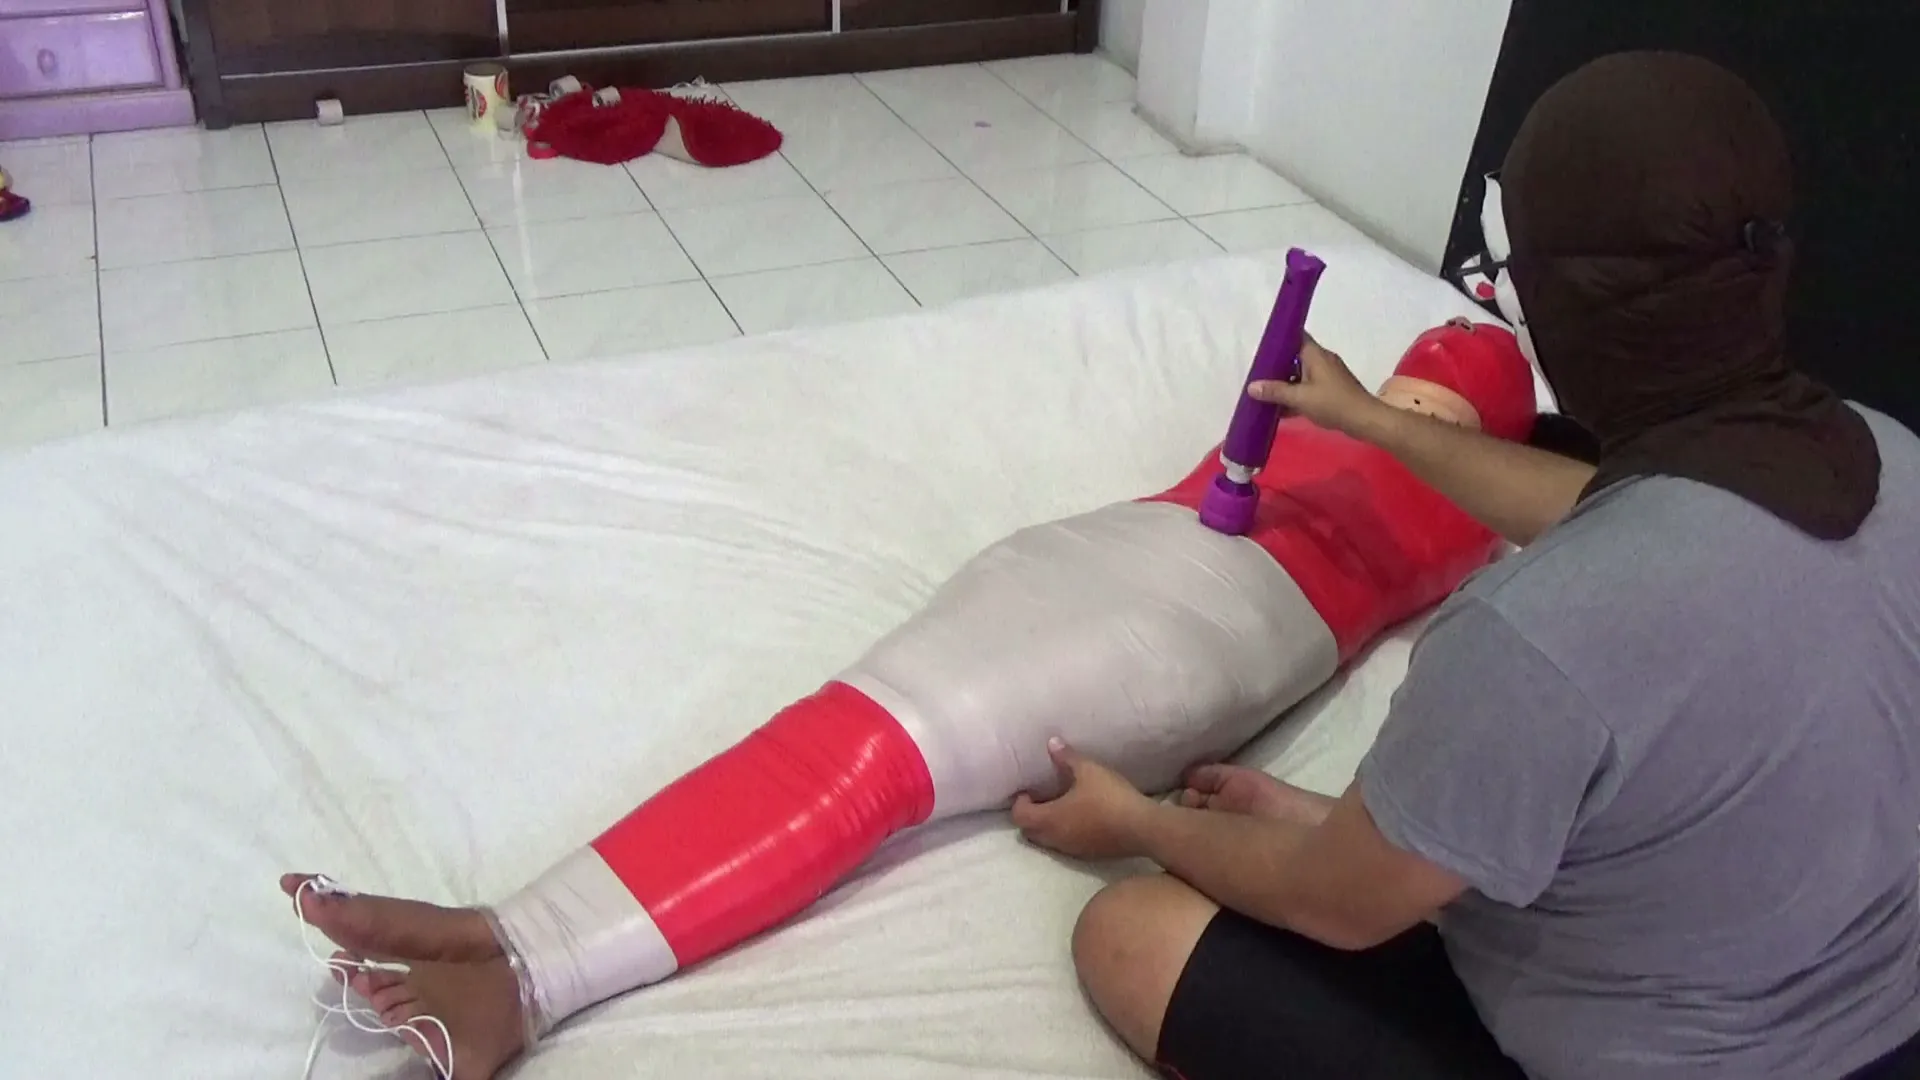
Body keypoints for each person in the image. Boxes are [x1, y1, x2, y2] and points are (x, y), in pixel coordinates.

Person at [282, 320, 1556, 1080]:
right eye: (1410, 384)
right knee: (856, 715)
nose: (1409, 408)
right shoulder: (1340, 417)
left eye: (1444, 402)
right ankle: (503, 931)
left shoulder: (1480, 513)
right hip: (1120, 550)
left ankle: (529, 971)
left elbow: (1538, 504)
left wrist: (1419, 439)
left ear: (1493, 438)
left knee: (878, 749)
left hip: (1218, 615)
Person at [1013, 51, 1920, 1080]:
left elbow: (1335, 904)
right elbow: (1630, 520)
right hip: (1875, 1021)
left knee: (1130, 934)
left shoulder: (1532, 635)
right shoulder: (1889, 458)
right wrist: (1369, 420)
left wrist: (1136, 820)